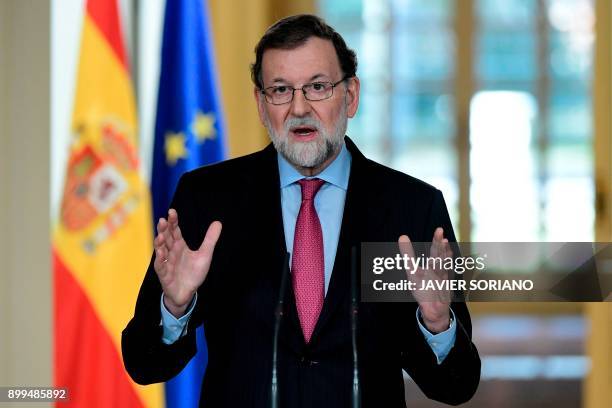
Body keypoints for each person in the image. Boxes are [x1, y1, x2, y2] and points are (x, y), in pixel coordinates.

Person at [122, 14, 480, 407]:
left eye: (317, 87)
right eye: (280, 89)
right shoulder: (208, 199)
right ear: (261, 104)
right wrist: (174, 307)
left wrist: (437, 324)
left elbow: (455, 386)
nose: (299, 107)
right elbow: (144, 364)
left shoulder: (410, 208)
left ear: (351, 96)